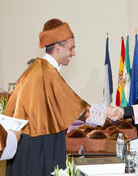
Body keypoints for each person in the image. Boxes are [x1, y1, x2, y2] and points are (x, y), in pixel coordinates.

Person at [4, 18, 118, 176]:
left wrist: (104, 110)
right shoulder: (45, 72)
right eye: (71, 48)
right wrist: (106, 111)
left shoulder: (38, 69)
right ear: (57, 48)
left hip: (32, 142)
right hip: (39, 147)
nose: (74, 53)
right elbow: (75, 106)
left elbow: (66, 104)